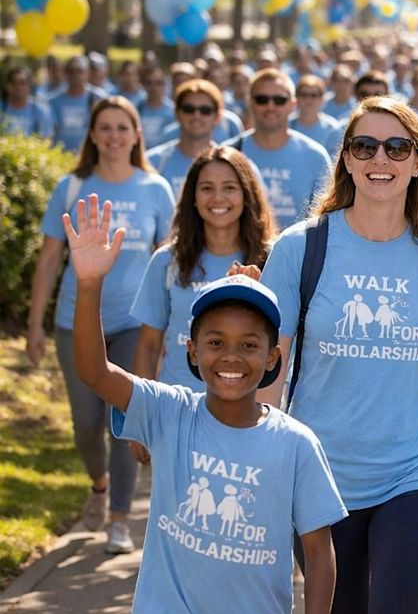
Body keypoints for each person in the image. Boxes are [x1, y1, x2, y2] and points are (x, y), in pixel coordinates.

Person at [63, 201, 343, 614]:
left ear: (273, 357)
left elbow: (320, 554)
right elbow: (94, 371)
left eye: (249, 345)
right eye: (215, 342)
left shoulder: (296, 444)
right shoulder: (168, 412)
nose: (231, 356)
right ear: (191, 350)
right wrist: (89, 285)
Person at [260, 95, 418, 614]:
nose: (379, 159)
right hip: (320, 475)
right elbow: (272, 367)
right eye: (364, 146)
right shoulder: (302, 248)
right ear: (347, 160)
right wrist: (261, 459)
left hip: (415, 471)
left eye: (396, 147)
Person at [26, 97, 175, 555]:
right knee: (87, 425)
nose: (113, 136)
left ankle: (119, 519)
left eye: (122, 127)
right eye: (104, 127)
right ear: (92, 135)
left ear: (136, 135)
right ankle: (99, 484)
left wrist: (167, 328)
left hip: (133, 323)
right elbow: (49, 260)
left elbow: (169, 262)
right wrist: (34, 326)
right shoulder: (71, 186)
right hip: (75, 321)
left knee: (124, 423)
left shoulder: (155, 188)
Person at [132, 146, 275, 393]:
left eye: (229, 188)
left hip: (246, 406)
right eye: (207, 188)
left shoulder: (273, 259)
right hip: (177, 404)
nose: (218, 198)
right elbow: (149, 347)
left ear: (246, 195)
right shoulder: (167, 260)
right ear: (193, 197)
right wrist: (142, 409)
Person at [221, 68, 331, 230]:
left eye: (279, 100)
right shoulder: (228, 154)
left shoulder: (316, 156)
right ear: (250, 102)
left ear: (292, 104)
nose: (270, 106)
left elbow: (326, 218)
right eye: (262, 99)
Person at [146, 79, 230, 196]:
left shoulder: (229, 163)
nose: (196, 115)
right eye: (188, 109)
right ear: (176, 114)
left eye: (205, 110)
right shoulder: (152, 162)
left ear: (217, 117)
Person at [49, 55, 107, 151]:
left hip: (89, 155)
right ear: (65, 73)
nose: (75, 75)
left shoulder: (99, 98)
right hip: (61, 156)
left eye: (80, 71)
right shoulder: (53, 102)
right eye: (71, 71)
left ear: (88, 73)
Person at [290, 75, 342, 156]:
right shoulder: (286, 125)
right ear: (296, 98)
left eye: (313, 95)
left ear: (322, 99)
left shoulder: (332, 129)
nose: (308, 99)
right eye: (304, 95)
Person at [0, 65, 54, 138]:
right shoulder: (1, 108)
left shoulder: (41, 111)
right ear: (7, 86)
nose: (18, 87)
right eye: (14, 83)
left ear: (30, 86)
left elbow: (46, 139)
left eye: (22, 83)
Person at [135, 66, 174, 148]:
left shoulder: (173, 110)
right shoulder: (137, 109)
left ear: (165, 85)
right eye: (149, 83)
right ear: (144, 86)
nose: (154, 87)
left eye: (158, 83)